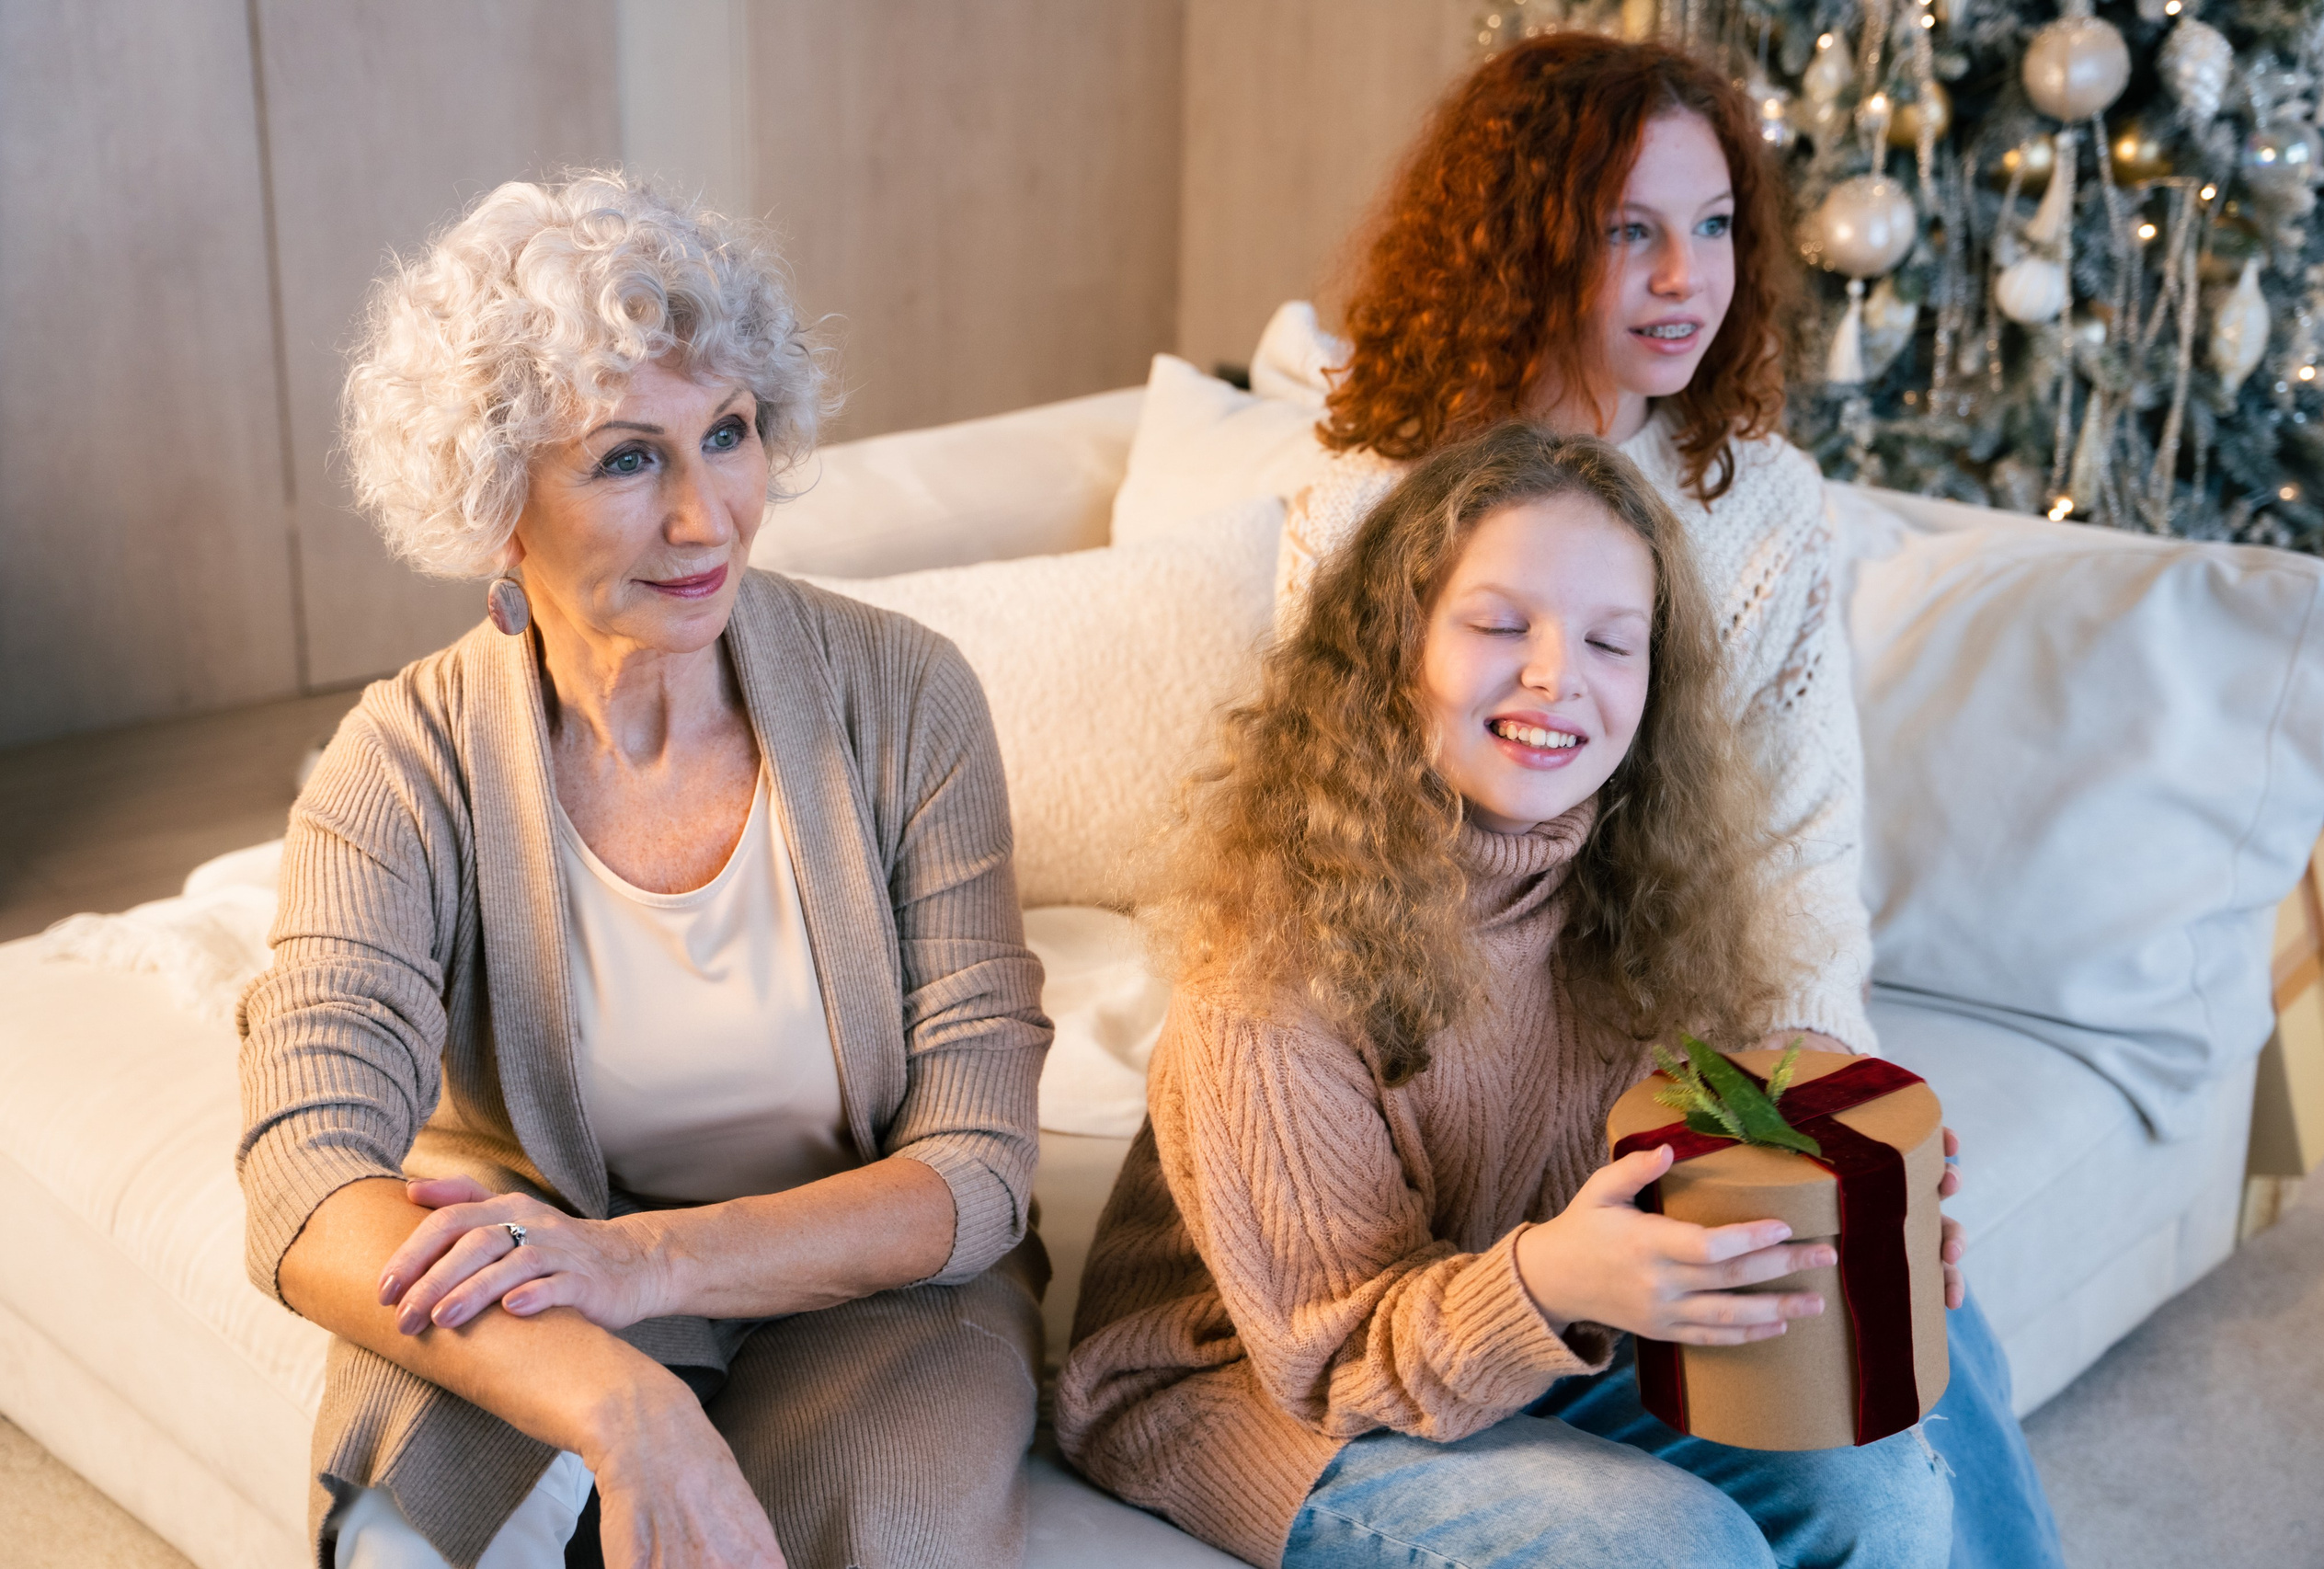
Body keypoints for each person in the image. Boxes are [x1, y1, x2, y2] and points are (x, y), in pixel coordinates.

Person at [1262, 33, 2059, 1567]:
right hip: (1460, 1108)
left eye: (1714, 226)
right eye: (1632, 228)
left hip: (1671, 1069)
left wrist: (1829, 1139)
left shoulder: (1762, 505)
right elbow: (1339, 847)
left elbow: (1799, 862)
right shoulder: (1370, 504)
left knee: (1927, 1342)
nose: (1687, 277)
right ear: (1524, 243)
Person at [236, 171, 1050, 1569]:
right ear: (498, 504)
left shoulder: (908, 695)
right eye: (626, 460)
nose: (705, 518)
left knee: (880, 1529)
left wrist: (650, 1262)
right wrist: (624, 1399)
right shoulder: (404, 760)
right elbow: (305, 1173)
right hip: (543, 1261)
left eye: (726, 434)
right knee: (402, 1531)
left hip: (872, 1281)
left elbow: (974, 1169)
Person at [1059, 422, 1952, 1567]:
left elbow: (1693, 1142)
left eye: (1610, 640)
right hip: (1263, 1386)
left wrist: (1857, 1212)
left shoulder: (1649, 892)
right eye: (1497, 624)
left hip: (1540, 1323)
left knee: (1879, 1485)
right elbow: (1332, 1362)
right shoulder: (1269, 973)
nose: (1555, 673)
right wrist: (1550, 1275)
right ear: (1393, 646)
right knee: (1673, 1546)